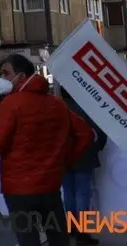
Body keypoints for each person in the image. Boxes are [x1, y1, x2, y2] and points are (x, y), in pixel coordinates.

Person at [0, 54, 93, 246]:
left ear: (21, 75)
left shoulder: (10, 104)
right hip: (49, 185)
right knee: (58, 239)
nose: (2, 79)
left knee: (28, 239)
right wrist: (64, 161)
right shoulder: (57, 104)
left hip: (18, 189)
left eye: (5, 73)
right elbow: (85, 134)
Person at [60, 87, 106, 246]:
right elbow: (100, 132)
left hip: (63, 156)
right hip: (83, 156)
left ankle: (71, 226)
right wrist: (96, 147)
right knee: (82, 193)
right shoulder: (86, 107)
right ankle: (82, 231)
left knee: (68, 192)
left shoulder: (56, 108)